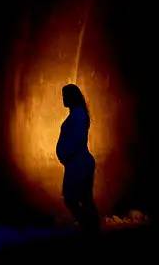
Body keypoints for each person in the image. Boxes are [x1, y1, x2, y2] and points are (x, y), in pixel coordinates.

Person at [56, 83, 100, 233]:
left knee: (73, 197)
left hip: (78, 163)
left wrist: (66, 155)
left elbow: (77, 139)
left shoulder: (78, 115)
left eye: (65, 95)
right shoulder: (77, 114)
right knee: (83, 198)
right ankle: (91, 228)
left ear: (71, 97)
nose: (63, 99)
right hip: (76, 162)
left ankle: (90, 227)